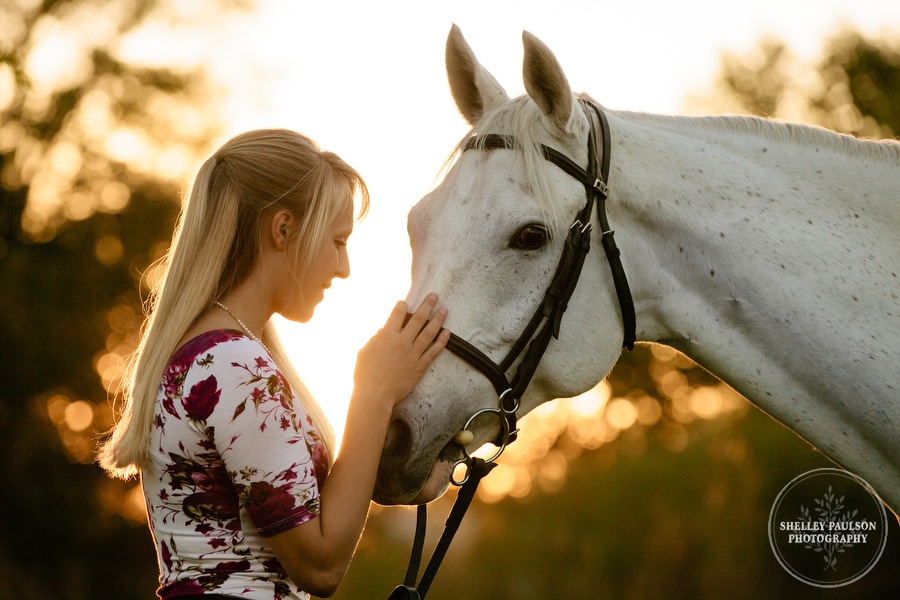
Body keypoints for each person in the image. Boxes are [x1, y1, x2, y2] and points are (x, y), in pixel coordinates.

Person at [98, 128, 450, 599]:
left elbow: (297, 515)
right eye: (338, 241)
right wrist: (373, 392)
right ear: (283, 230)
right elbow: (319, 566)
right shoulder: (235, 367)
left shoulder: (212, 355)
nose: (343, 267)